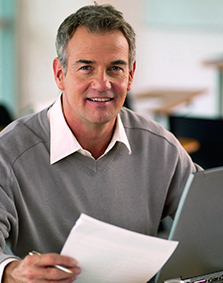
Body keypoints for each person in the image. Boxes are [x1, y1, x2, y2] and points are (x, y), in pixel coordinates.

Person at [0, 3, 202, 283]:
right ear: (60, 74)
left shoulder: (159, 146)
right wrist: (10, 272)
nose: (102, 83)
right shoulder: (9, 153)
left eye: (115, 68)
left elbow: (213, 219)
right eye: (86, 68)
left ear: (130, 75)